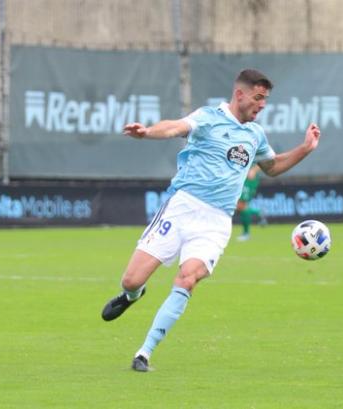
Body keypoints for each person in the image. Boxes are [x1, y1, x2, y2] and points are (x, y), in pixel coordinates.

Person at [101, 69, 321, 371]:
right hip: (182, 208)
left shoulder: (255, 135)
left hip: (216, 222)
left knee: (188, 278)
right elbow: (175, 127)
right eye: (258, 98)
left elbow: (272, 166)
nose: (262, 105)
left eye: (265, 100)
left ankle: (144, 353)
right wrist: (148, 132)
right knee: (132, 279)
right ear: (240, 94)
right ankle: (132, 295)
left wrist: (305, 148)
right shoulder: (208, 118)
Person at [235, 164, 267, 241]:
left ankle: (246, 234)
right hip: (241, 177)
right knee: (238, 207)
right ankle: (258, 212)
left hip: (248, 179)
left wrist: (254, 170)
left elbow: (265, 158)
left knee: (241, 205)